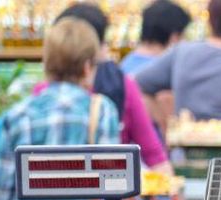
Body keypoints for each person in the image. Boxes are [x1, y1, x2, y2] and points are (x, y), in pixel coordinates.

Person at [0, 18, 119, 200]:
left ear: (47, 64)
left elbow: (0, 188)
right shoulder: (102, 111)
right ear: (87, 66)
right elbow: (112, 188)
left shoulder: (19, 114)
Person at [43, 3, 172, 175]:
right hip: (99, 198)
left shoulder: (37, 99)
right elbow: (151, 158)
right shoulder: (108, 105)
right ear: (93, 52)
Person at [136, 0, 221, 124]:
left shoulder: (181, 53)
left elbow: (135, 84)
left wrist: (164, 124)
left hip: (184, 148)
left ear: (210, 19)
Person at [121, 0, 191, 75]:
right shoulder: (164, 73)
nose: (184, 41)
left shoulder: (124, 65)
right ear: (174, 37)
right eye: (183, 36)